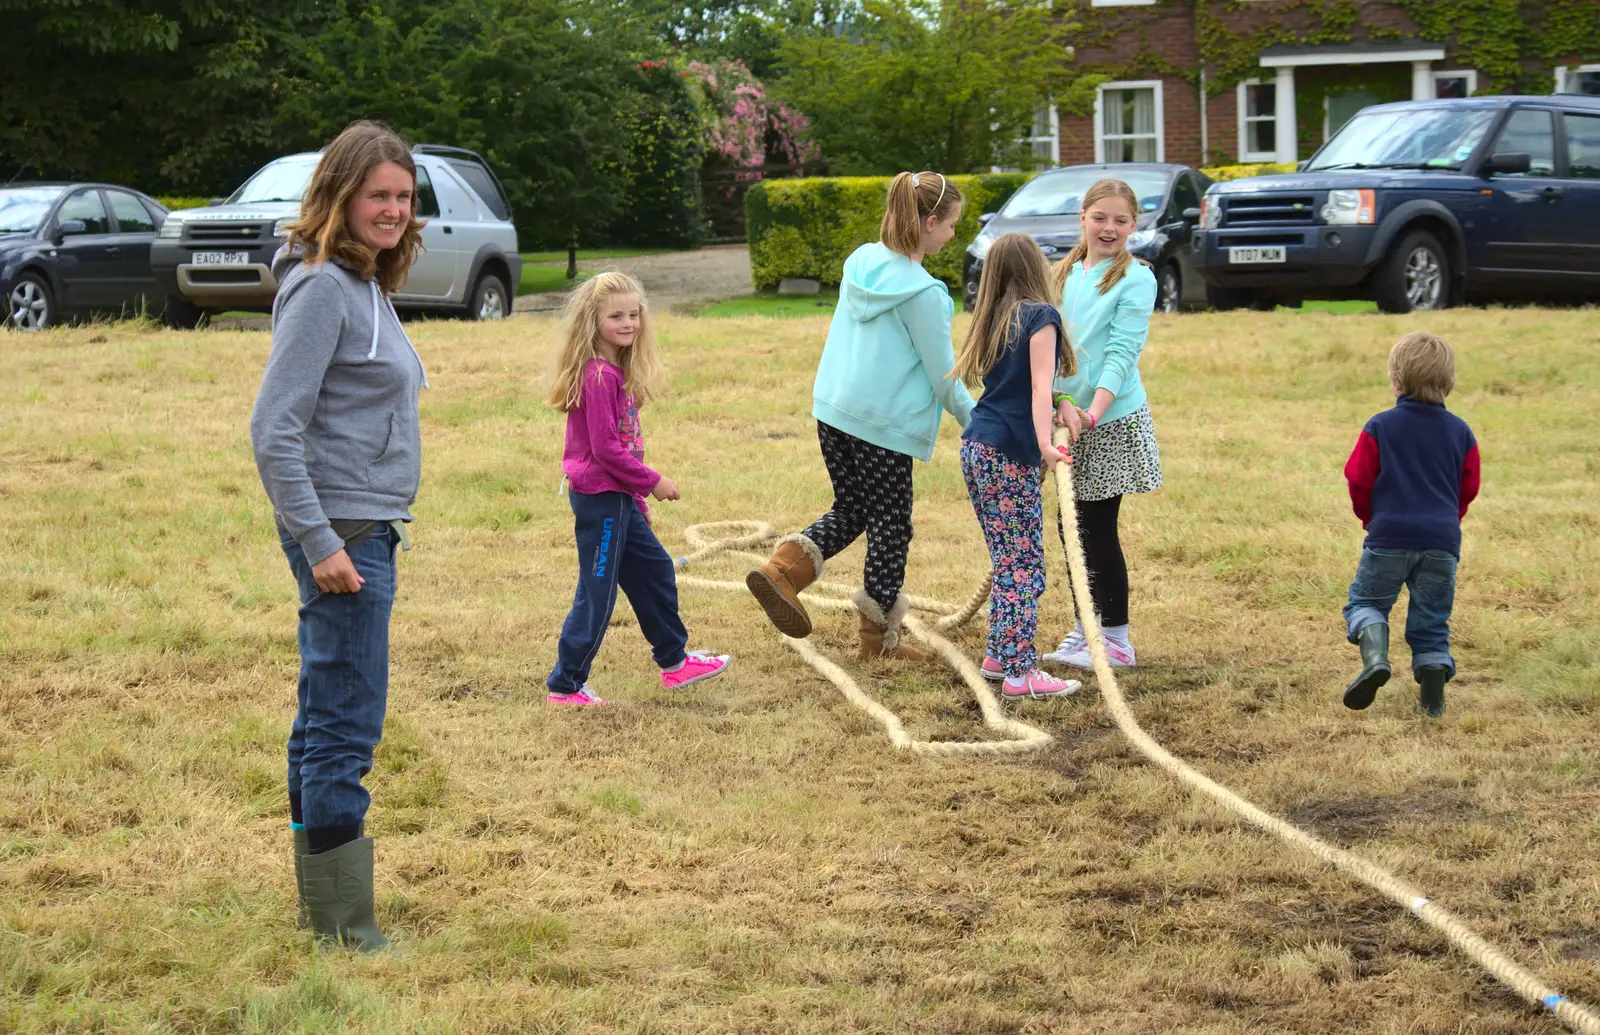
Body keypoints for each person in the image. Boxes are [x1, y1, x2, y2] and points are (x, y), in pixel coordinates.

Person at [250, 120, 430, 951]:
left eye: (403, 196)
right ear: (341, 196)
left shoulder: (364, 282)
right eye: (378, 195)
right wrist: (322, 541)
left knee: (326, 709)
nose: (393, 209)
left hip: (363, 525)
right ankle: (344, 925)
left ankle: (319, 903)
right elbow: (273, 427)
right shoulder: (324, 288)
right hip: (346, 533)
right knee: (345, 723)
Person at [746, 171, 975, 661]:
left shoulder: (861, 262)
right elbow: (944, 377)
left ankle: (781, 572)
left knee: (853, 507)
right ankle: (879, 642)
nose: (954, 234)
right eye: (952, 224)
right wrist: (978, 423)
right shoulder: (926, 294)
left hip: (833, 410)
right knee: (891, 523)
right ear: (930, 222)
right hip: (881, 425)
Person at [545, 271, 730, 706]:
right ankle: (565, 686)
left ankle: (675, 663)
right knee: (598, 593)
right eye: (616, 316)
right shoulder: (598, 377)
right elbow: (606, 450)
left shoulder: (615, 371)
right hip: (600, 500)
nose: (628, 323)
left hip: (620, 498)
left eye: (634, 314)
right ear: (594, 322)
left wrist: (634, 498)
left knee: (656, 571)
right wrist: (652, 483)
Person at [951, 233, 1082, 698]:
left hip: (978, 447)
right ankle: (1020, 672)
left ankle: (999, 655)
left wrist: (1061, 405)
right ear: (1037, 268)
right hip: (1008, 453)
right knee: (1024, 566)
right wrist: (1046, 444)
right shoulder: (1041, 316)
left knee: (1009, 559)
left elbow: (1023, 385)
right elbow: (1038, 386)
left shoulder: (994, 317)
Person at [1039, 178, 1161, 672]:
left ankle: (1114, 639)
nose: (1110, 228)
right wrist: (1054, 401)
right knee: (1074, 531)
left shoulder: (1136, 278)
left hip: (1106, 421)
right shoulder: (1060, 274)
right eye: (1101, 217)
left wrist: (1094, 411)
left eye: (1121, 220)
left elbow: (1121, 354)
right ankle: (1085, 627)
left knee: (1095, 529)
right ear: (1082, 216)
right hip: (1066, 416)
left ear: (1135, 225)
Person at [1341, 332, 1479, 718]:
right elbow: (1469, 486)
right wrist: (1449, 521)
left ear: (1396, 380)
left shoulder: (1381, 426)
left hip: (1389, 535)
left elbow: (1358, 477)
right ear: (1447, 381)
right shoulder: (1461, 431)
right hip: (1442, 541)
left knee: (1366, 603)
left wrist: (1370, 518)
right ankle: (1433, 704)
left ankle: (1376, 660)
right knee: (1432, 621)